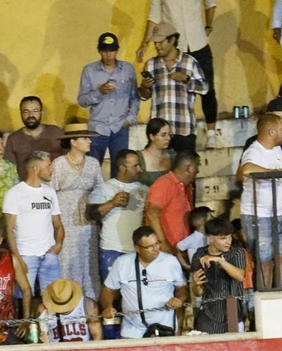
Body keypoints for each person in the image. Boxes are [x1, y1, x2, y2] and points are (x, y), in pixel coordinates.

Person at [139, 0, 217, 124]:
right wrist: (145, 43)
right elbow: (153, 16)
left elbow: (210, 3)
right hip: (175, 47)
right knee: (175, 89)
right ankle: (175, 129)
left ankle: (212, 132)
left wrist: (208, 25)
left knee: (207, 89)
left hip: (198, 43)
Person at [239, 114, 282, 290]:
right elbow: (246, 169)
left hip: (281, 212)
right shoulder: (254, 151)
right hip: (259, 216)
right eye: (281, 129)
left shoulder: (277, 149)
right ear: (271, 132)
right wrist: (276, 172)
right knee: (264, 261)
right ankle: (265, 297)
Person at [51, 124, 105, 299]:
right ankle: (67, 299)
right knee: (67, 259)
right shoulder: (59, 164)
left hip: (88, 220)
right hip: (65, 220)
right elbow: (50, 193)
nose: (89, 141)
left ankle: (90, 301)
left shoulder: (93, 163)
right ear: (73, 141)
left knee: (89, 260)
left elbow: (101, 190)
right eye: (85, 138)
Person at [138, 23, 207, 158]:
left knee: (185, 168)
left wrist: (186, 79)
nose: (157, 46)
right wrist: (145, 87)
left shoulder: (189, 62)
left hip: (184, 129)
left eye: (160, 42)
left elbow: (204, 88)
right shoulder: (151, 64)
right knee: (160, 169)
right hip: (159, 132)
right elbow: (144, 96)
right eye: (155, 43)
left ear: (172, 40)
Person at [102, 226, 184, 339]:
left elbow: (182, 288)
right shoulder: (122, 263)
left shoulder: (171, 261)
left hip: (165, 329)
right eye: (150, 246)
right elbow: (107, 289)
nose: (156, 249)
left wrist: (179, 300)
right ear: (137, 248)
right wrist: (108, 307)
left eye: (157, 243)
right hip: (132, 331)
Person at [1, 152, 63, 303]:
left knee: (54, 298)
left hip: (49, 253)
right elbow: (9, 229)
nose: (52, 170)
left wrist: (59, 244)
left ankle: (49, 320)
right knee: (23, 298)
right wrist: (17, 258)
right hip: (26, 254)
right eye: (48, 166)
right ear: (36, 168)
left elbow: (58, 224)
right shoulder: (14, 193)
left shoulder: (50, 192)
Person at [89, 150, 149, 303]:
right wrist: (112, 203)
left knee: (135, 295)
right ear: (122, 167)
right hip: (111, 249)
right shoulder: (104, 188)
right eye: (135, 166)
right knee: (111, 294)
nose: (139, 169)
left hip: (136, 250)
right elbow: (91, 214)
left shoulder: (144, 190)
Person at [78, 32, 139, 168]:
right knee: (92, 169)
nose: (109, 55)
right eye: (105, 51)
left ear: (117, 50)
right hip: (97, 128)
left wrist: (130, 119)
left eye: (112, 51)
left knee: (120, 171)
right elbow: (82, 101)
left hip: (120, 127)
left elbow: (135, 97)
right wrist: (99, 91)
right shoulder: (89, 70)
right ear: (99, 51)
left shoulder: (127, 69)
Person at [190, 217, 246, 334]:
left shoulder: (236, 252)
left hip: (233, 312)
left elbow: (240, 276)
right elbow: (198, 292)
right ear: (210, 238)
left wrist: (220, 261)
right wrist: (196, 284)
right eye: (223, 238)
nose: (228, 242)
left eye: (230, 237)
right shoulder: (199, 255)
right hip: (208, 314)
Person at [145, 152, 199, 264]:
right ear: (188, 168)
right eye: (197, 166)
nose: (198, 171)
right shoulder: (165, 183)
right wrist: (163, 243)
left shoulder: (186, 187)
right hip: (166, 252)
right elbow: (152, 212)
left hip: (178, 250)